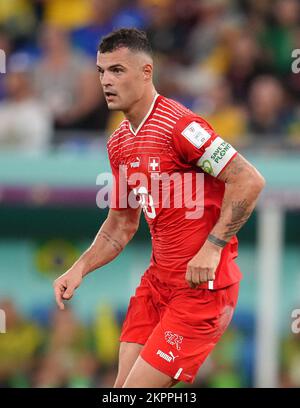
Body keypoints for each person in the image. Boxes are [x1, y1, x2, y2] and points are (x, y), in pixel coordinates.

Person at [53, 28, 265, 388]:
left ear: (146, 72)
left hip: (201, 290)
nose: (106, 80)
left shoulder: (181, 127)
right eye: (101, 71)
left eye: (117, 70)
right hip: (158, 285)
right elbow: (120, 225)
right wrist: (80, 268)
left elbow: (248, 180)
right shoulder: (118, 143)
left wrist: (212, 247)